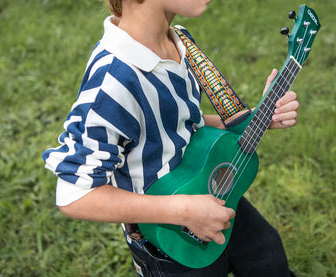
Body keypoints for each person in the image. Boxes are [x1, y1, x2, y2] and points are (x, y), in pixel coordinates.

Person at [42, 0, 299, 276]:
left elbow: (186, 126)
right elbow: (76, 194)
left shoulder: (178, 41)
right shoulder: (114, 80)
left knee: (267, 256)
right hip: (168, 240)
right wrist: (183, 210)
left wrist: (259, 118)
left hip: (212, 193)